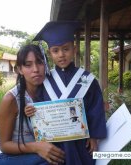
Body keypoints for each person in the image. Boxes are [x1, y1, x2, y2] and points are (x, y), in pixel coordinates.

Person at [31, 21, 107, 165]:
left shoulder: (87, 80)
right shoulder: (45, 82)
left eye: (66, 49)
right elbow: (39, 108)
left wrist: (94, 137)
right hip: (54, 142)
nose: (61, 55)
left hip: (81, 141)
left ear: (74, 49)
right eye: (55, 50)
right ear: (49, 53)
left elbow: (95, 109)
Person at [0, 44, 65, 165]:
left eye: (40, 62)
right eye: (28, 65)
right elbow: (4, 145)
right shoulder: (11, 99)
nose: (36, 69)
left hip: (36, 152)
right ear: (20, 69)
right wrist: (36, 147)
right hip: (6, 156)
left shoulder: (52, 92)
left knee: (67, 155)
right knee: (56, 161)